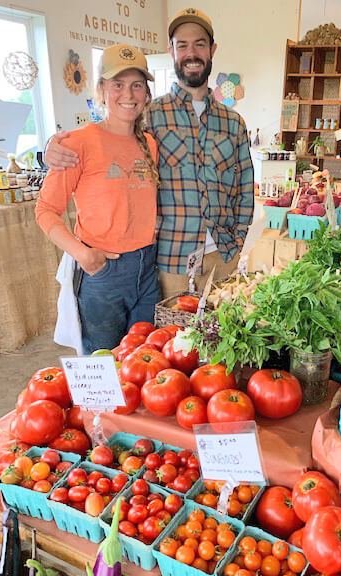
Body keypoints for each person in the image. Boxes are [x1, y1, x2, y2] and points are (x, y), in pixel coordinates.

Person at [45, 8, 254, 300]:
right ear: (171, 51)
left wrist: (239, 240)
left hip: (223, 258)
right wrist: (52, 146)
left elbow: (245, 190)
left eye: (199, 44)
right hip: (170, 261)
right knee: (169, 342)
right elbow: (105, 137)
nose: (191, 53)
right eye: (182, 45)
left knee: (224, 340)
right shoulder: (148, 115)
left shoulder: (234, 123)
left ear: (212, 50)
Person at [36, 44, 160, 354]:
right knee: (102, 368)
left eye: (137, 85)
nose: (128, 94)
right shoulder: (77, 144)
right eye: (118, 84)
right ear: (101, 90)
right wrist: (83, 254)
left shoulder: (149, 144)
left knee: (144, 363)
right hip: (103, 273)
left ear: (146, 93)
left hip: (147, 268)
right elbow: (46, 210)